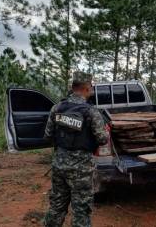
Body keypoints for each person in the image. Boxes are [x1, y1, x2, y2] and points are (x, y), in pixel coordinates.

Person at [43, 71, 109, 227]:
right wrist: (105, 130)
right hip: (82, 170)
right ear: (86, 88)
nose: (92, 89)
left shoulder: (57, 108)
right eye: (91, 86)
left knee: (56, 207)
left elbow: (47, 136)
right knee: (81, 212)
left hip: (59, 165)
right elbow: (102, 139)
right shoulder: (91, 112)